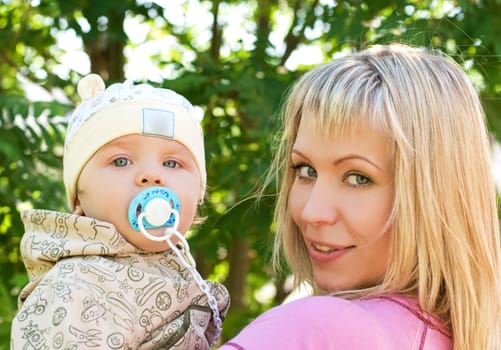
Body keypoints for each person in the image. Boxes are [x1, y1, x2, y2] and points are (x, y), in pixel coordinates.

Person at [220, 44, 501, 350]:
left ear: (434, 196)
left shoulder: (313, 330)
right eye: (306, 170)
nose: (313, 212)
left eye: (358, 178)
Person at [11, 74, 230, 349]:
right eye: (121, 161)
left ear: (198, 194)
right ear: (78, 195)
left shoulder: (183, 274)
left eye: (172, 163)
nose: (152, 175)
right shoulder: (72, 288)